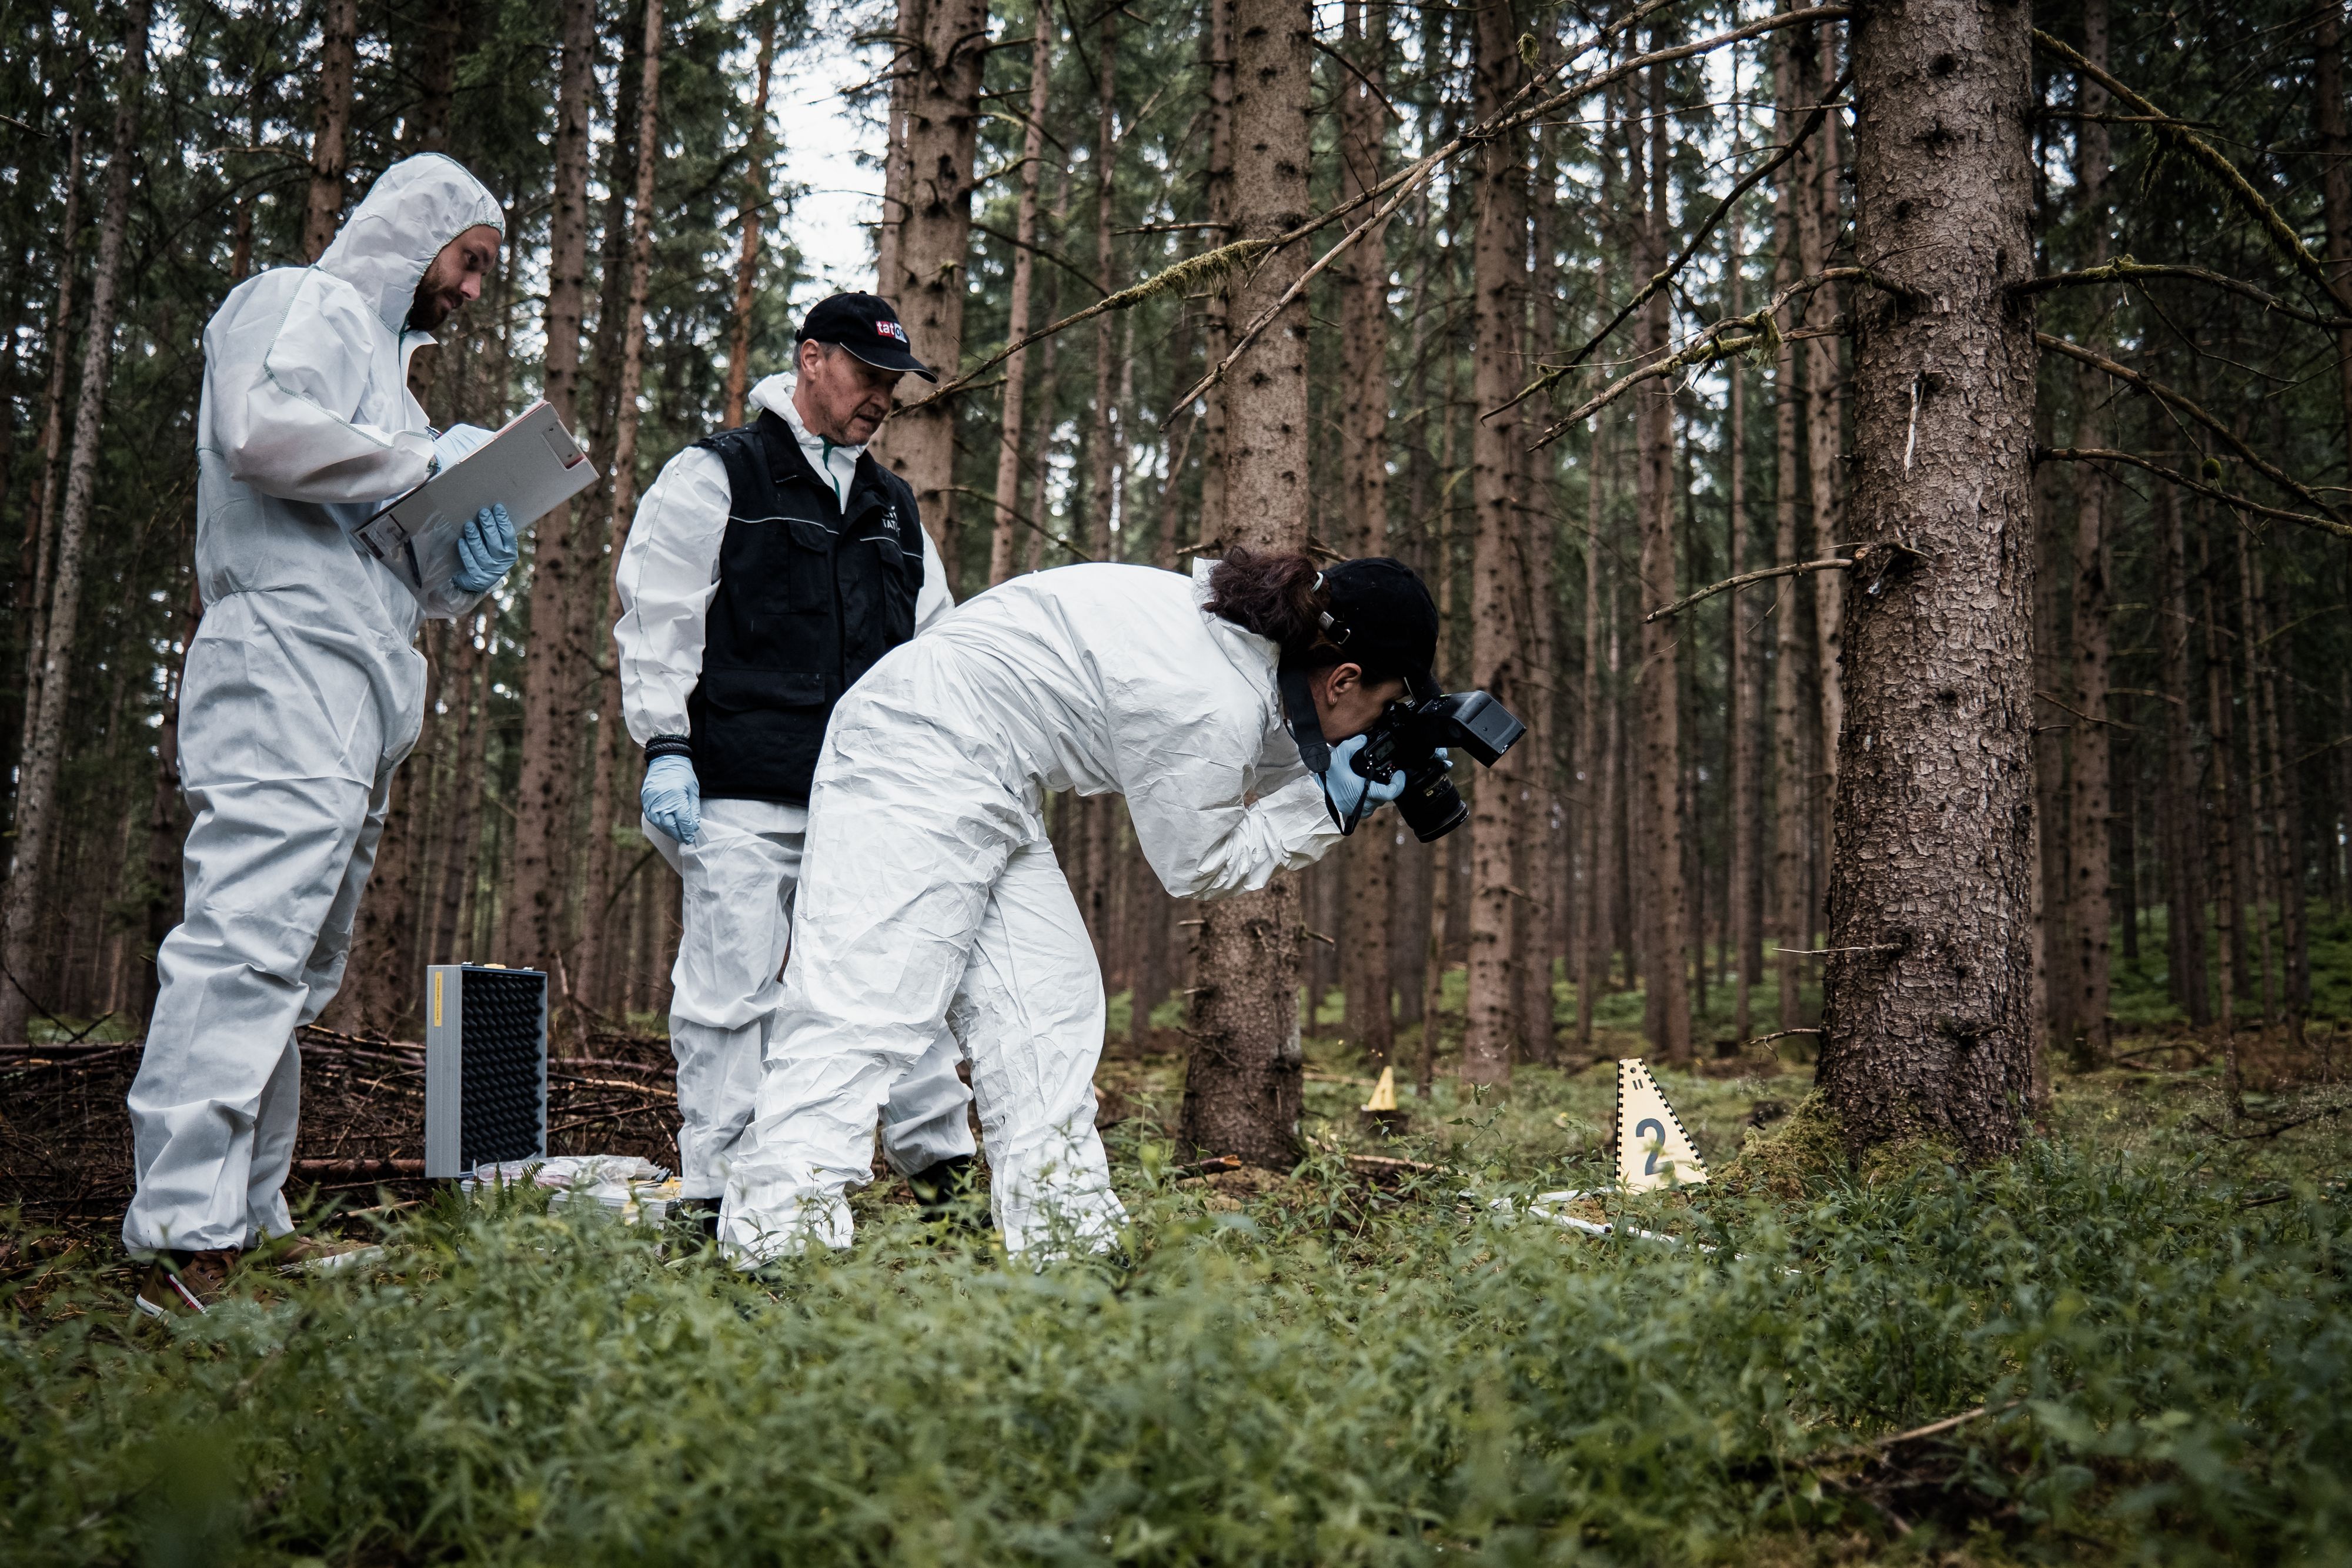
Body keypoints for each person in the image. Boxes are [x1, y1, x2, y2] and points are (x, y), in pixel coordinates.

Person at [719, 547, 1438, 1260]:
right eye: (1383, 708)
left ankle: (1067, 1245)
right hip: (914, 753)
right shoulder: (1212, 695)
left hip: (987, 769)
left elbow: (1251, 741)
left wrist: (1330, 772)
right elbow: (1199, 862)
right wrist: (1326, 805)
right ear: (1343, 679)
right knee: (863, 1007)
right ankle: (773, 1247)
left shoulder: (1234, 648)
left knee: (1046, 1009)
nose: (1374, 726)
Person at [125, 153, 520, 1313]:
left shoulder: (396, 388)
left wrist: (463, 558)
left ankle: (250, 1214)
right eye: (470, 260)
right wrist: (422, 460)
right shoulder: (297, 301)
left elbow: (391, 560)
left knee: (297, 963)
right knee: (246, 941)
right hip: (283, 663)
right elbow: (260, 432)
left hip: (362, 687)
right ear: (417, 230)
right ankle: (180, 1239)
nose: (474, 288)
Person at [613, 293, 977, 1229]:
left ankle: (944, 1177)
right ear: (812, 359)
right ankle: (718, 1194)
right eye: (866, 374)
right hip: (740, 789)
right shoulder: (719, 474)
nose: (881, 398)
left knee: (902, 987)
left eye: (894, 383)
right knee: (729, 995)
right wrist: (666, 745)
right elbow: (658, 618)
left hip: (867, 804)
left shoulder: (895, 509)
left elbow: (935, 649)